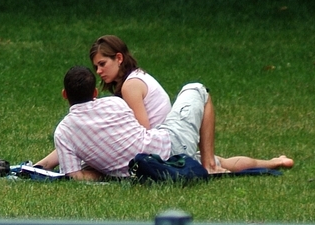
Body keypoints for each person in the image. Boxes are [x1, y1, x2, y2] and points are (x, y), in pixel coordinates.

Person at [52, 66, 293, 181]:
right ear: (95, 92)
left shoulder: (64, 132)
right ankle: (216, 163)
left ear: (65, 94)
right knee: (197, 89)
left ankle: (271, 162)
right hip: (169, 148)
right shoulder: (113, 104)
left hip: (146, 171)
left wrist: (104, 171)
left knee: (218, 161)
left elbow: (76, 177)